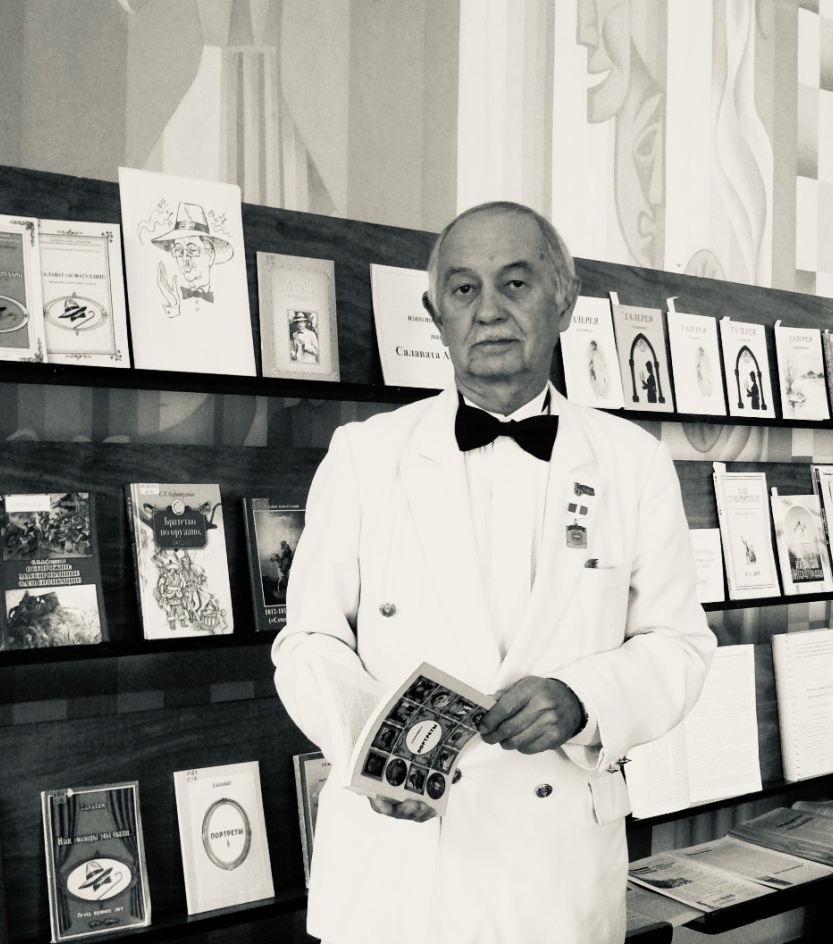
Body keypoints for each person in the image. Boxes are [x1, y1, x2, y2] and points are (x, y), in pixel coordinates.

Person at [271, 200, 716, 944]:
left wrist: (583, 699)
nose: (488, 311)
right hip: (400, 866)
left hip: (554, 876)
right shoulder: (364, 454)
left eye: (515, 283)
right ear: (434, 313)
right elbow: (308, 639)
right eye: (463, 288)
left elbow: (680, 645)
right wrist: (371, 752)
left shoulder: (633, 462)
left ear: (564, 301)